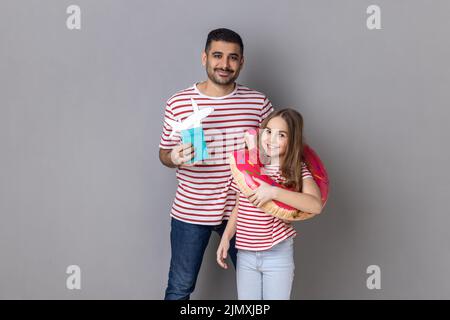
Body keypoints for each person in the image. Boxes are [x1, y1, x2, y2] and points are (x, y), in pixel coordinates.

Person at [158, 28, 274, 300]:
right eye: (217, 56)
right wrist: (174, 156)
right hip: (191, 209)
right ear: (204, 58)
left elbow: (275, 154)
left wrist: (261, 153)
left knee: (257, 291)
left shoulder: (258, 103)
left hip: (244, 211)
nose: (224, 64)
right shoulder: (178, 103)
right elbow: (163, 153)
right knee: (180, 287)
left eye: (233, 58)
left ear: (242, 62)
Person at [216, 108, 323, 300]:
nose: (271, 139)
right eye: (268, 131)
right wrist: (226, 237)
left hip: (277, 253)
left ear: (292, 141)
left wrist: (273, 191)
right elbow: (240, 206)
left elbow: (315, 205)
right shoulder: (249, 167)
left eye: (281, 135)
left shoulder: (295, 170)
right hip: (246, 254)